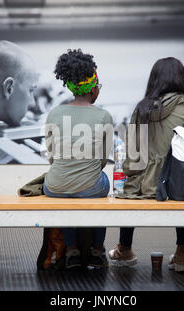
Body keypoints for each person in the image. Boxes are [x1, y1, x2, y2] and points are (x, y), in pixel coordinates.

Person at [108, 57, 184, 272]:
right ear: (181, 80)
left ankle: (125, 248)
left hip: (149, 184)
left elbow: (134, 156)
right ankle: (183, 253)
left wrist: (130, 176)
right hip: (182, 183)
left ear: (154, 80)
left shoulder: (143, 109)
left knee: (131, 185)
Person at [44, 49, 113, 270]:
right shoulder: (103, 116)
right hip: (90, 188)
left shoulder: (54, 114)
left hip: (54, 186)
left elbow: (52, 156)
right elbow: (103, 159)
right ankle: (97, 250)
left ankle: (72, 251)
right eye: (98, 86)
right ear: (93, 89)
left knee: (65, 190)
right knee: (103, 184)